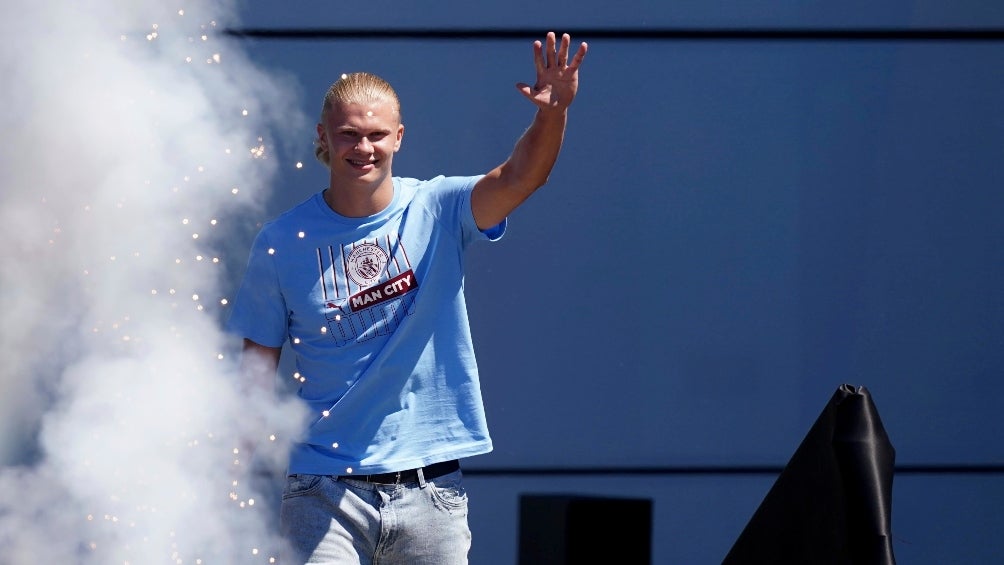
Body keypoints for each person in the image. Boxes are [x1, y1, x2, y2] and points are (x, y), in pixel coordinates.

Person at [228, 31, 587, 564]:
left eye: (376, 134)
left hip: (431, 489)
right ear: (323, 137)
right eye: (349, 135)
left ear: (399, 137)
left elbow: (518, 179)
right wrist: (233, 462)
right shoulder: (281, 242)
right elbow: (258, 361)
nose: (363, 148)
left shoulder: (439, 208)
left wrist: (552, 114)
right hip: (323, 489)